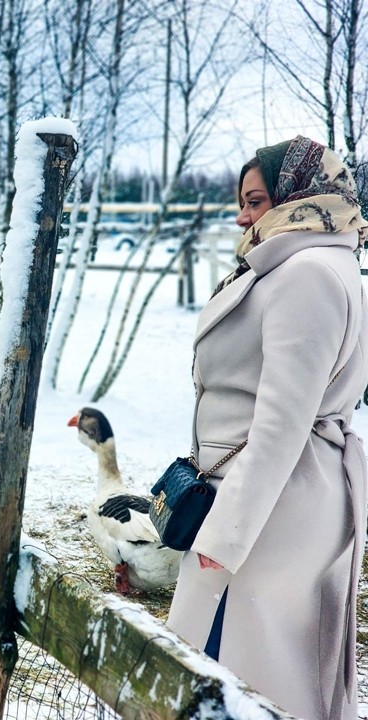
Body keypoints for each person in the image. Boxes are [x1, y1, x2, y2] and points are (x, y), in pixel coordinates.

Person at [166, 135, 368, 720]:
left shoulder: (307, 273)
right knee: (248, 668)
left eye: (255, 200)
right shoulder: (302, 263)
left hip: (270, 506)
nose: (242, 215)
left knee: (229, 674)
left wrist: (220, 545)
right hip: (268, 497)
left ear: (297, 195)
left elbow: (281, 426)